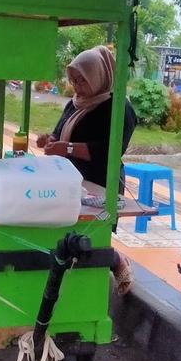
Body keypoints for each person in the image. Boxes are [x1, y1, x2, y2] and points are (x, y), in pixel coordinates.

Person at [37, 45, 136, 294]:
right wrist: (49, 140)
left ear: (99, 76)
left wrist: (67, 149)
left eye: (83, 80)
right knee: (66, 231)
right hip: (71, 181)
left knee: (90, 235)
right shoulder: (75, 103)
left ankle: (116, 261)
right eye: (73, 80)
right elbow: (60, 134)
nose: (77, 86)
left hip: (100, 182)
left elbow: (110, 150)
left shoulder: (118, 108)